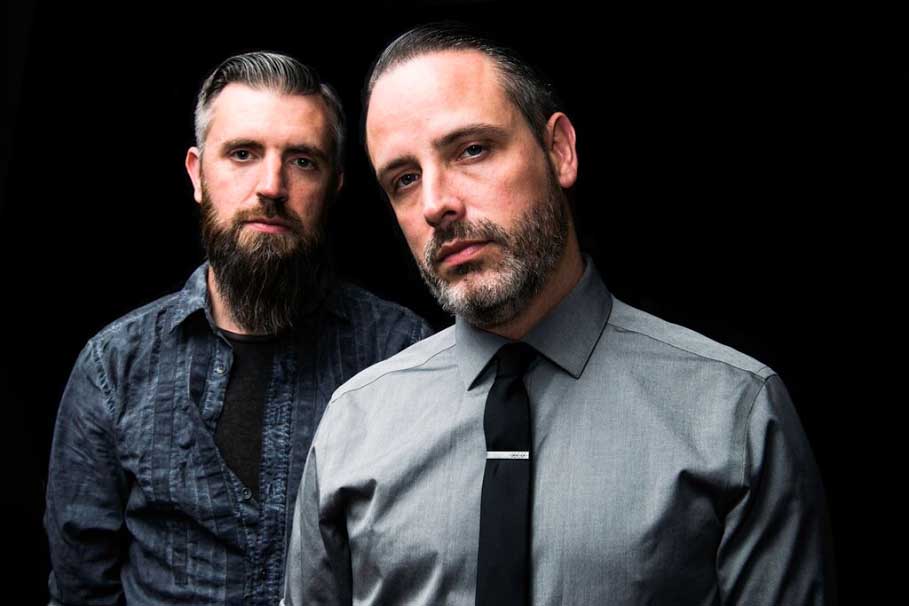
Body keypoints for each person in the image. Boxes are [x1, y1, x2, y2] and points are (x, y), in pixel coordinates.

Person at [283, 24, 836, 606]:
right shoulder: (353, 426)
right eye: (404, 179)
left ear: (560, 150)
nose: (435, 204)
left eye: (472, 150)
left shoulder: (735, 415)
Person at [44, 51, 431, 605]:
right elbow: (80, 590)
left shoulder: (401, 353)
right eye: (243, 153)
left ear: (334, 186)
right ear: (197, 174)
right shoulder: (114, 368)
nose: (271, 185)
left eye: (303, 161)